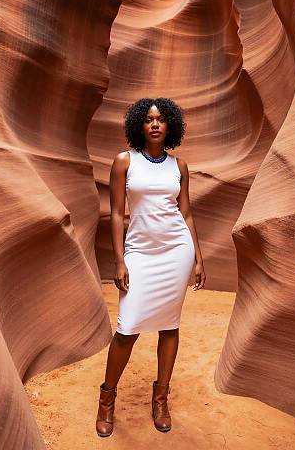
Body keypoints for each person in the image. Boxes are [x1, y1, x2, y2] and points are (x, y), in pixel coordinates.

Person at [96, 97, 206, 437]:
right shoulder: (124, 162)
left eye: (160, 119)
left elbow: (185, 214)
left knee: (169, 326)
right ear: (138, 126)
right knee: (127, 329)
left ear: (170, 124)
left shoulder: (180, 166)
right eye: (147, 119)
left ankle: (160, 399)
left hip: (176, 250)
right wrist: (120, 259)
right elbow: (117, 213)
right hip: (140, 253)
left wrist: (198, 258)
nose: (154, 124)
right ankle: (107, 400)